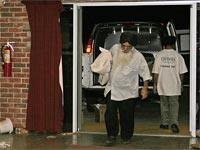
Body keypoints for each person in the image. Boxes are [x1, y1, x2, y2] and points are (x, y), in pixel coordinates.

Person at [104, 32, 151, 145]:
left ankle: (126, 136)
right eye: (123, 46)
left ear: (133, 46)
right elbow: (105, 60)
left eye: (128, 47)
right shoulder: (115, 48)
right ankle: (112, 135)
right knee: (110, 114)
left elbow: (145, 73)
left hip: (128, 91)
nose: (125, 48)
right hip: (112, 88)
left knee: (127, 116)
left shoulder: (138, 56)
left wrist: (144, 88)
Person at [152, 36, 188, 133]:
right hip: (174, 86)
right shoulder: (178, 56)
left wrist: (155, 84)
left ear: (163, 44)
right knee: (174, 105)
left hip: (162, 85)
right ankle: (174, 124)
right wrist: (181, 84)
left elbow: (155, 73)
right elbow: (182, 73)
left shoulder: (159, 55)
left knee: (164, 105)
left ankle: (165, 123)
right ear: (173, 44)